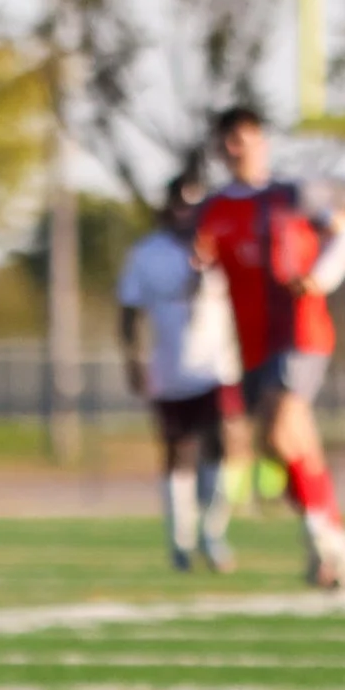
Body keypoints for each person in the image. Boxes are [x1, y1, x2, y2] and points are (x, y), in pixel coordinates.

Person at [196, 105, 345, 588]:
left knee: (279, 431)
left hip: (300, 332)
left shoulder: (292, 195)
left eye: (246, 137)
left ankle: (326, 543)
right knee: (294, 447)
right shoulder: (213, 209)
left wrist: (321, 277)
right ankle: (335, 541)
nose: (238, 148)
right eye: (229, 140)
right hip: (250, 343)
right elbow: (205, 268)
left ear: (262, 141)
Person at [117, 173, 244, 572]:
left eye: (193, 205)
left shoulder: (221, 247)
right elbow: (128, 311)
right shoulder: (147, 253)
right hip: (170, 367)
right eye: (179, 204)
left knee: (222, 448)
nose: (185, 213)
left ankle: (213, 533)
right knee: (178, 452)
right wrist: (133, 360)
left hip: (218, 367)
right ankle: (180, 539)